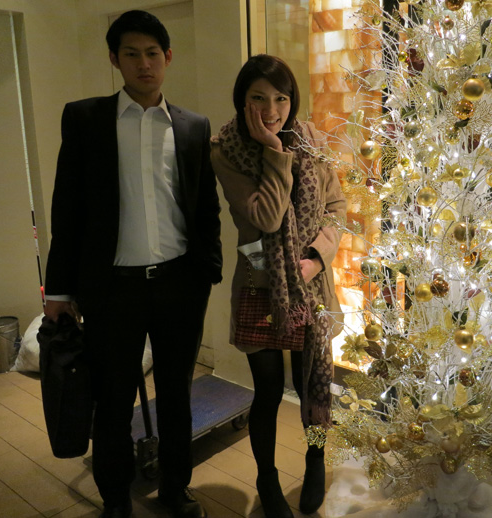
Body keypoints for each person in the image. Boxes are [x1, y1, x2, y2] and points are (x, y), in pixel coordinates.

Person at [43, 10, 222, 518]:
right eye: (131, 54)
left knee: (177, 396)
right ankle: (117, 501)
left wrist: (207, 269)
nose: (143, 64)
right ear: (114, 59)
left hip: (179, 284)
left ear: (168, 58)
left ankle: (174, 489)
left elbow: (204, 207)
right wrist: (59, 290)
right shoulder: (86, 119)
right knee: (113, 400)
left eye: (152, 53)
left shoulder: (192, 126)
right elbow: (66, 207)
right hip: (111, 289)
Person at [211, 54, 346, 518]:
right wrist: (274, 150)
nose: (272, 110)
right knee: (268, 393)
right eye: (259, 98)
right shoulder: (226, 150)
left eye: (281, 99)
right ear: (242, 100)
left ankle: (315, 460)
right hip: (260, 288)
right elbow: (266, 217)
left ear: (293, 100)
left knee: (313, 387)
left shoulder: (312, 140)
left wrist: (316, 257)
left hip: (310, 285)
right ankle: (266, 479)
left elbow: (336, 207)